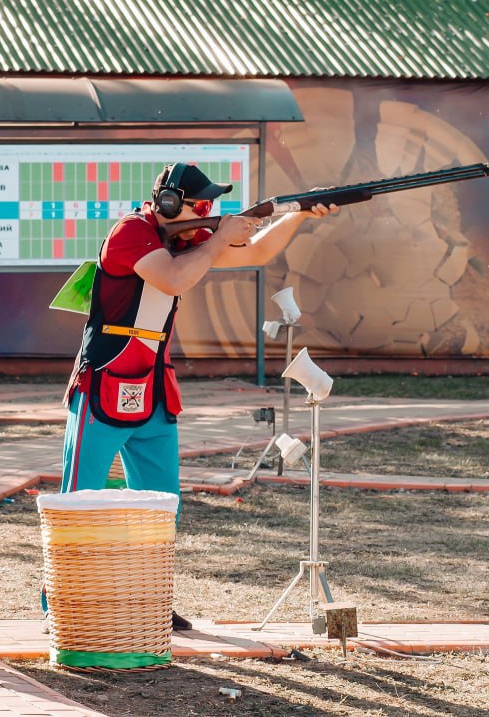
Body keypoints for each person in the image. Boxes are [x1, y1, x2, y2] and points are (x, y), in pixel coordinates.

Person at [59, 162, 339, 630]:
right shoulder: (131, 231)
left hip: (151, 387)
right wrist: (216, 237)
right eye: (200, 205)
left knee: (161, 505)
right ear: (168, 203)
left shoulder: (185, 241)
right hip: (104, 382)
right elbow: (173, 279)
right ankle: (64, 605)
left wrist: (301, 213)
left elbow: (257, 251)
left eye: (209, 206)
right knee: (79, 500)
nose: (207, 211)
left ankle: (150, 601)